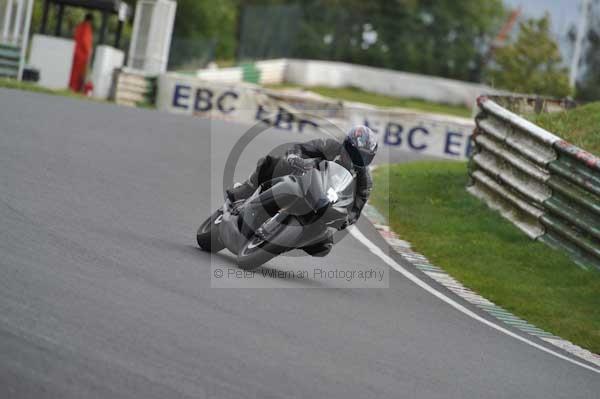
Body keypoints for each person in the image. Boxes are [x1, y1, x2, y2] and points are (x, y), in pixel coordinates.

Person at [227, 125, 378, 257]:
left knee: (323, 247)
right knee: (272, 164)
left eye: (364, 157)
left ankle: (282, 243)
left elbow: (356, 210)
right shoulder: (330, 146)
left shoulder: (365, 181)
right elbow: (301, 149)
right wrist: (294, 157)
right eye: (355, 152)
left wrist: (345, 219)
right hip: (304, 181)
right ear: (346, 145)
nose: (358, 158)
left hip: (324, 207)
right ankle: (246, 189)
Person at [69, 13, 94, 93]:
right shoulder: (86, 27)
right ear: (90, 20)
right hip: (82, 54)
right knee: (78, 73)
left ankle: (73, 88)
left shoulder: (80, 26)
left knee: (74, 72)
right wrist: (89, 50)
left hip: (76, 51)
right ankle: (74, 88)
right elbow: (85, 40)